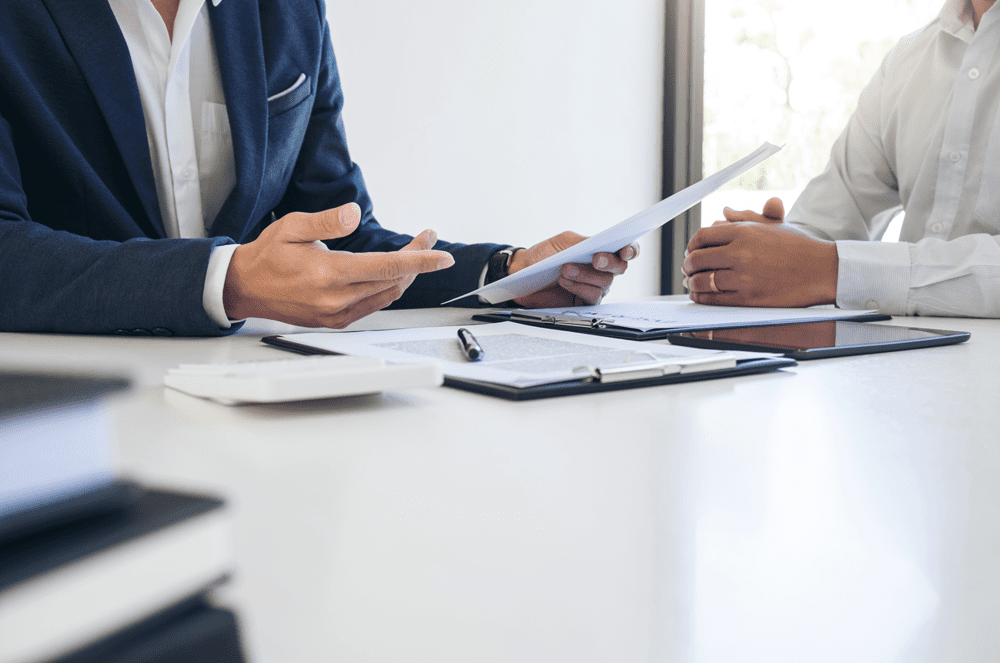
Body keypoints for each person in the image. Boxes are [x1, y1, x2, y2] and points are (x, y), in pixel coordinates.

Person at [0, 0, 637, 337]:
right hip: (59, 418)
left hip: (255, 415)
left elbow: (341, 240)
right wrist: (225, 280)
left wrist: (507, 274)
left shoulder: (291, 9)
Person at [683, 0, 1000, 318]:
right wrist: (767, 249)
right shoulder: (908, 60)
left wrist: (831, 270)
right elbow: (835, 219)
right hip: (904, 360)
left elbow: (825, 264)